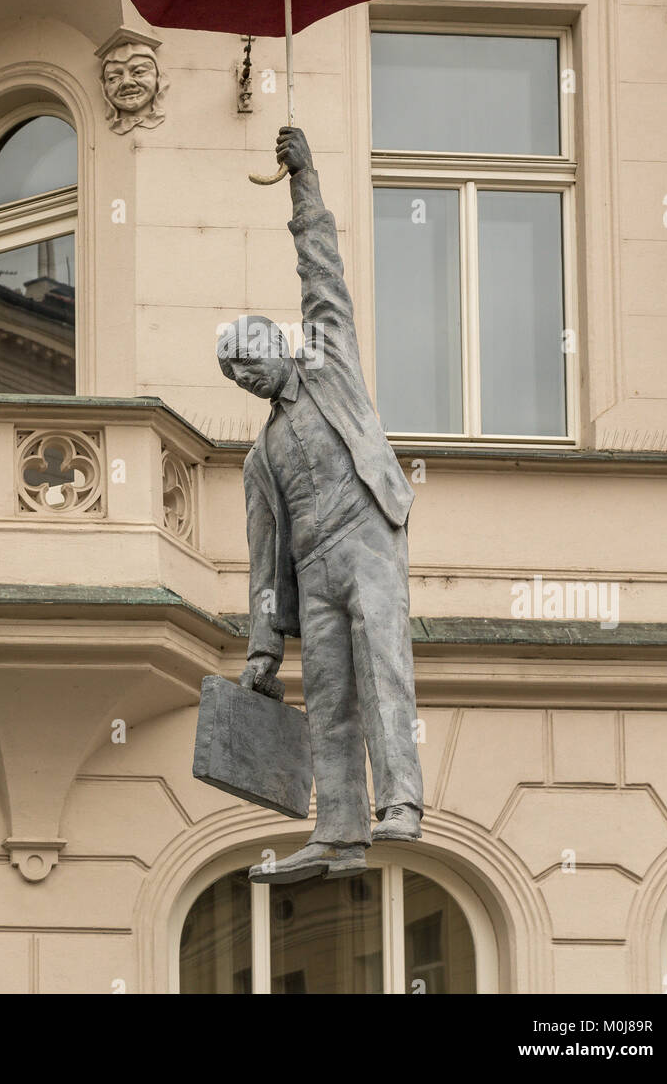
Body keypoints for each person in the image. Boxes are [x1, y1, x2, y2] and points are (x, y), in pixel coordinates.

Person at [216, 127, 424, 884]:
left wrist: (303, 181)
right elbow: (264, 565)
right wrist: (263, 649)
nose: (246, 375)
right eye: (235, 375)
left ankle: (401, 799)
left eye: (249, 358)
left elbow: (323, 269)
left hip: (367, 533)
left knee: (382, 664)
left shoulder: (331, 366)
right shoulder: (259, 460)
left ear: (279, 342)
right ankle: (338, 828)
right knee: (329, 695)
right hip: (315, 566)